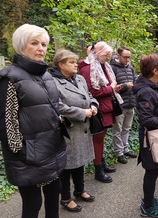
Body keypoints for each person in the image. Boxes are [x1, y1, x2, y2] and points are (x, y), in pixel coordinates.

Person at [0, 24, 67, 218]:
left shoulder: (46, 75)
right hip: (29, 156)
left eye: (44, 44)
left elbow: (52, 107)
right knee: (33, 204)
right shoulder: (9, 77)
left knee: (55, 194)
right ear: (22, 46)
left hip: (52, 148)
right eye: (35, 43)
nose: (41, 48)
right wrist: (22, 152)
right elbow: (7, 123)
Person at [50, 49, 98, 212]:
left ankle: (79, 190)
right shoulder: (53, 82)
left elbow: (89, 94)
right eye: (71, 62)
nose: (75, 64)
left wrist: (93, 105)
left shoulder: (79, 78)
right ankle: (65, 198)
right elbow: (57, 105)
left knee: (80, 161)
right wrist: (81, 113)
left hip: (83, 127)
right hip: (68, 129)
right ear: (61, 64)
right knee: (67, 164)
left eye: (75, 61)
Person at [79, 41, 121, 183]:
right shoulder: (88, 68)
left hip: (107, 106)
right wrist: (111, 89)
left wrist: (114, 88)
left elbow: (108, 83)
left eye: (109, 55)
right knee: (97, 138)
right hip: (98, 108)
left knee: (101, 137)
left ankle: (101, 162)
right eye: (106, 55)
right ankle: (98, 169)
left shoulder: (103, 65)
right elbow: (91, 91)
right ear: (98, 53)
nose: (109, 58)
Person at [133, 54, 158, 218]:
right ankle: (147, 207)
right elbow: (146, 119)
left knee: (154, 171)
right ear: (155, 70)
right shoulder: (146, 91)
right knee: (151, 171)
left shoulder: (151, 87)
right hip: (151, 138)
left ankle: (149, 198)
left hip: (155, 136)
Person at [110, 46, 137, 164]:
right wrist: (125, 86)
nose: (127, 59)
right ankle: (119, 152)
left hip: (131, 103)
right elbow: (112, 88)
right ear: (118, 55)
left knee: (127, 128)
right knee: (118, 129)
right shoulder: (112, 68)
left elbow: (135, 82)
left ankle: (126, 149)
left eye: (129, 57)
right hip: (119, 105)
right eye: (125, 57)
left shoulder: (130, 68)